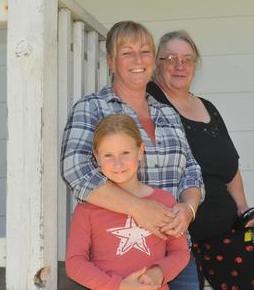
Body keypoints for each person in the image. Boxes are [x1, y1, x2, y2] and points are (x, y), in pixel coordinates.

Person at [61, 21, 204, 289]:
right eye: (127, 53)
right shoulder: (92, 107)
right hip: (117, 264)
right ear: (111, 61)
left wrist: (188, 209)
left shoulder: (168, 113)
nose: (138, 60)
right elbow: (76, 171)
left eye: (145, 52)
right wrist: (139, 208)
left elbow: (192, 171)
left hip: (174, 256)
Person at [147, 30, 254, 290]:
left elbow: (230, 167)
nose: (179, 66)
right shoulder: (149, 103)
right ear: (156, 65)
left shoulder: (207, 107)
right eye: (170, 58)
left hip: (224, 232)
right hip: (175, 234)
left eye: (187, 59)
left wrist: (243, 208)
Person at [66, 114, 190, 290]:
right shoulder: (87, 208)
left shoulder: (164, 201)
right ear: (97, 156)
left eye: (125, 153)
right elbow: (74, 263)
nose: (118, 163)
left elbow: (180, 252)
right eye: (108, 155)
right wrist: (118, 286)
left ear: (140, 151)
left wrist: (159, 272)